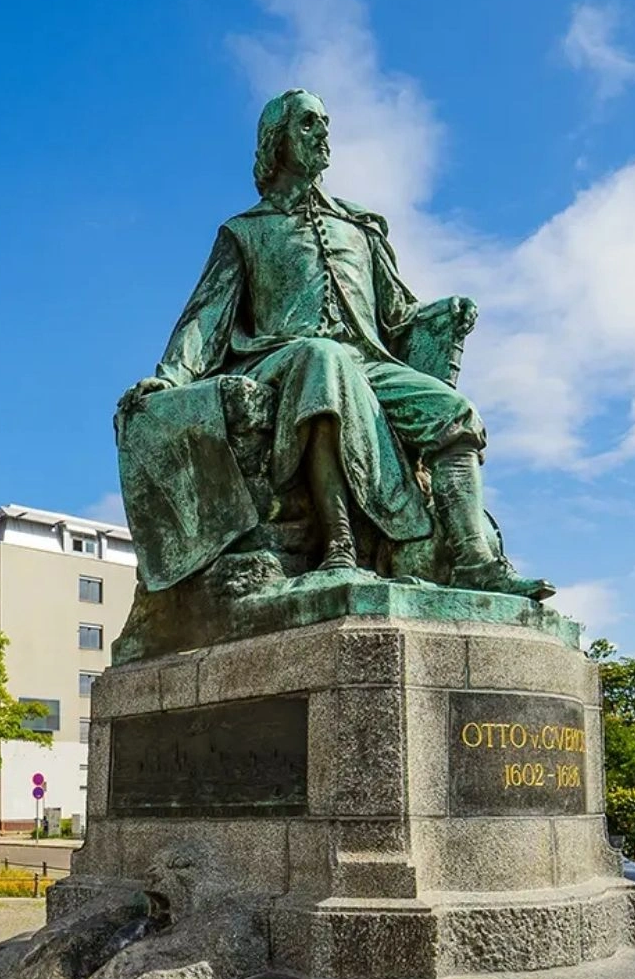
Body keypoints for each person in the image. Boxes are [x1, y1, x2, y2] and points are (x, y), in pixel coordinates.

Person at [118, 89, 549, 600]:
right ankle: (337, 544)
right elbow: (204, 317)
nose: (323, 133)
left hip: (369, 363)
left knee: (453, 410)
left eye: (325, 123)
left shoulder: (360, 227)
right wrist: (171, 376)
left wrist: (442, 315)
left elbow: (396, 316)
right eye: (307, 124)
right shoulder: (245, 232)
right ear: (276, 142)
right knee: (323, 358)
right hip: (280, 359)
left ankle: (475, 561)